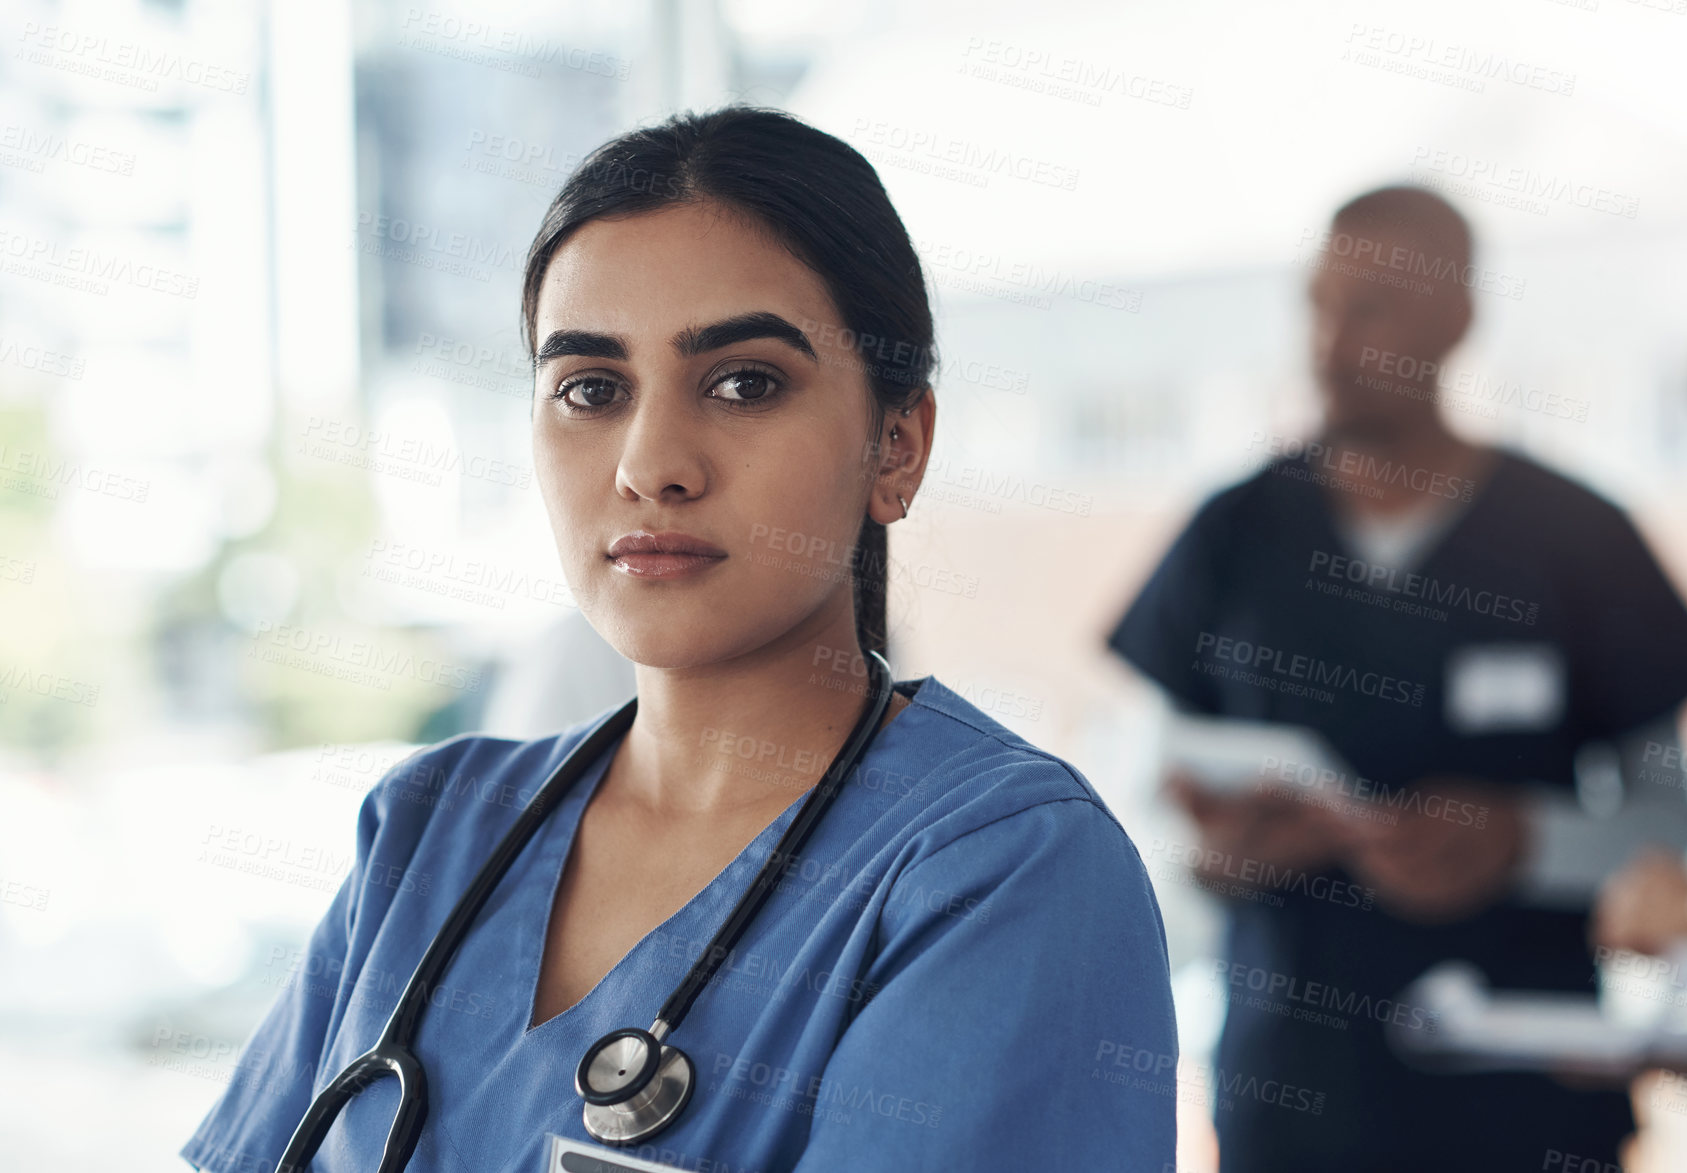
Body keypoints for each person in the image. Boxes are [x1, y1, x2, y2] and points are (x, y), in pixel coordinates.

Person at [179, 106, 1177, 1173]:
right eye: (591, 390)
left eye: (744, 383)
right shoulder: (431, 832)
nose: (650, 463)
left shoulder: (999, 872)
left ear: (898, 445)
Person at [1106, 185, 1687, 1171]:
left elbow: (1663, 825)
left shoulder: (1575, 538)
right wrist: (1218, 858)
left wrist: (1522, 840)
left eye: (1373, 308)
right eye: (1319, 305)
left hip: (1529, 1108)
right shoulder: (1235, 533)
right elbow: (1149, 800)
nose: (1334, 343)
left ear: (1458, 318)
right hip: (1292, 1097)